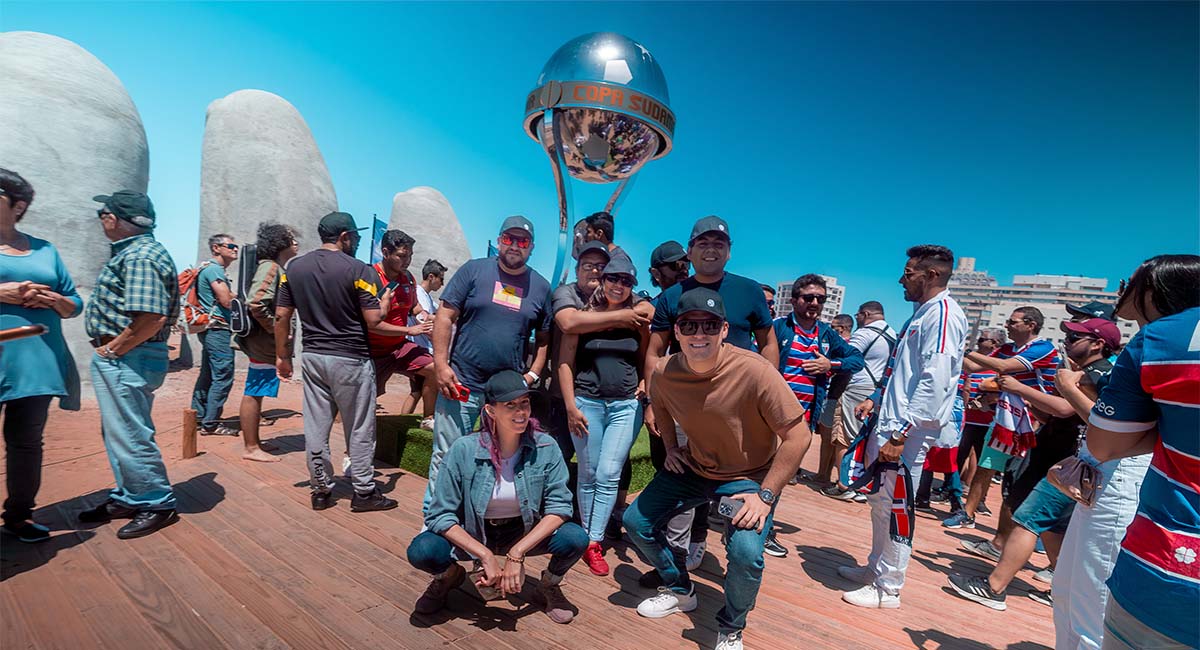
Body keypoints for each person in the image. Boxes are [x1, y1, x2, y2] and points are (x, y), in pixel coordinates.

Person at [624, 288, 813, 650]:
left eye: (709, 325)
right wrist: (671, 448)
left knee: (745, 553)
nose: (699, 334)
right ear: (676, 331)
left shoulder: (755, 371)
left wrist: (766, 495)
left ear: (724, 329)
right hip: (694, 466)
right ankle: (680, 588)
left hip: (748, 476)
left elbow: (798, 437)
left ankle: (732, 625)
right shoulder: (665, 370)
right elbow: (658, 404)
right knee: (635, 521)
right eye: (689, 325)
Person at [947, 317, 1120, 611]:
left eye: (1075, 337)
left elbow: (1065, 409)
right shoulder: (1090, 372)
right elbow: (1056, 414)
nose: (1066, 341)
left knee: (1028, 519)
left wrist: (1024, 388)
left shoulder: (1096, 374)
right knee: (1052, 527)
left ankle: (994, 588)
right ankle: (1061, 588)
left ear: (1097, 344)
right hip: (1072, 459)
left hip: (1074, 460)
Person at [646, 217, 781, 563]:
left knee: (732, 476)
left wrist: (768, 390)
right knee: (682, 475)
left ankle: (720, 541)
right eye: (703, 243)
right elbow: (654, 351)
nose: (711, 249)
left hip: (737, 406)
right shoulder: (671, 296)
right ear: (689, 252)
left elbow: (768, 342)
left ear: (729, 252)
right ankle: (678, 551)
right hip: (683, 404)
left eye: (718, 244)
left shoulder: (749, 290)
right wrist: (652, 399)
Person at [840, 244, 967, 609]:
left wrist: (900, 433)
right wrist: (877, 401)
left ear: (931, 276)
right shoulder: (923, 314)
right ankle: (875, 568)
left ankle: (888, 588)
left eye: (908, 273)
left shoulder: (942, 314)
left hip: (906, 433)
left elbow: (936, 379)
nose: (901, 279)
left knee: (898, 505)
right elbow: (906, 374)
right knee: (881, 502)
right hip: (892, 423)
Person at [407, 370, 586, 624]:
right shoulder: (464, 449)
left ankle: (549, 586)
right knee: (423, 550)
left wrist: (517, 553)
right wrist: (484, 555)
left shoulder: (546, 446)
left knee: (575, 538)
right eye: (510, 405)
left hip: (521, 530)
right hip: (473, 530)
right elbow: (439, 514)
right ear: (491, 411)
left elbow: (560, 507)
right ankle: (448, 577)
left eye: (524, 403)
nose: (521, 412)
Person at [1084, 254, 1199, 650]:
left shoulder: (1163, 341)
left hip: (1170, 574)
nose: (1120, 289)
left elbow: (1102, 444)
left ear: (1154, 289)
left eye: (1128, 280)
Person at [274, 211, 401, 512]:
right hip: (351, 359)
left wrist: (282, 355)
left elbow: (281, 315)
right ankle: (364, 492)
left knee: (316, 425)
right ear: (344, 237)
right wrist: (383, 303)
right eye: (354, 237)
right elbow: (373, 320)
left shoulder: (293, 268)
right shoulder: (360, 270)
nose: (356, 241)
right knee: (359, 427)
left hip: (314, 357)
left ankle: (320, 490)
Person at [427, 216, 551, 514]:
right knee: (446, 453)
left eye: (522, 241)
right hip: (462, 381)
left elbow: (545, 339)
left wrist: (532, 375)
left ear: (531, 247)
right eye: (509, 238)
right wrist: (441, 365)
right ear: (499, 240)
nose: (515, 246)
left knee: (498, 456)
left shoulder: (540, 287)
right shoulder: (473, 271)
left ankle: (479, 521)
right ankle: (433, 521)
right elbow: (444, 316)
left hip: (505, 395)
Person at [77, 191, 180, 539]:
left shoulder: (138, 255)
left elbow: (150, 317)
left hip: (127, 356)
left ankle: (156, 502)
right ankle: (131, 495)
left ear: (112, 218)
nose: (101, 220)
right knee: (122, 432)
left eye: (103, 214)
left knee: (131, 433)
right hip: (129, 356)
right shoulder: (138, 252)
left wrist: (112, 350)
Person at [1051, 326, 1152, 648]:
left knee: (1092, 603)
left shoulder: (1156, 353)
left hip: (1119, 477)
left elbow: (1112, 434)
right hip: (1102, 478)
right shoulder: (1147, 349)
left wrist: (1069, 388)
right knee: (1067, 593)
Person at [0, 169, 83, 543]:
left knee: (26, 443)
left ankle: (19, 517)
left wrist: (56, 300)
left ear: (18, 206)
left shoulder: (46, 249)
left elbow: (74, 303)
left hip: (36, 364)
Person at [549, 241, 651, 541]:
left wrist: (646, 383)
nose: (619, 285)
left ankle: (594, 539)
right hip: (586, 403)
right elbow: (564, 363)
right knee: (589, 473)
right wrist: (570, 406)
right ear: (604, 280)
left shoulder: (638, 319)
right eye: (613, 278)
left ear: (632, 286)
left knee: (609, 474)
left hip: (624, 406)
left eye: (626, 281)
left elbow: (647, 356)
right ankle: (584, 533)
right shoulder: (582, 317)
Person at [943, 307, 1060, 531]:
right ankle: (967, 514)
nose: (1007, 325)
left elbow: (1004, 367)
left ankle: (1027, 532)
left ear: (1031, 325)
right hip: (1008, 419)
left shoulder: (1042, 348)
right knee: (986, 466)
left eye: (1012, 322)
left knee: (1022, 478)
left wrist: (965, 349)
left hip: (1038, 422)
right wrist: (951, 348)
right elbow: (973, 366)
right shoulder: (1008, 348)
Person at [773, 276, 864, 496]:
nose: (815, 303)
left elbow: (857, 360)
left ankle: (765, 521)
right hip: (773, 411)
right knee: (766, 467)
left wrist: (829, 364)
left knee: (783, 475)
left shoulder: (825, 333)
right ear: (794, 301)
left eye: (820, 299)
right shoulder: (779, 328)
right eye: (809, 297)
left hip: (804, 417)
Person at [234, 222, 298, 463]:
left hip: (262, 342)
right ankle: (251, 447)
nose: (295, 242)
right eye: (290, 238)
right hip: (263, 342)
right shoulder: (271, 268)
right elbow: (256, 302)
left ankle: (254, 443)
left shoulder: (273, 267)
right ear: (279, 243)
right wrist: (276, 329)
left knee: (256, 390)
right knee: (254, 390)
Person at [821, 302, 897, 501]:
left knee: (844, 436)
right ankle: (860, 483)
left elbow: (847, 359)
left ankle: (845, 485)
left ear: (865, 314)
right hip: (877, 391)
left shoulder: (864, 334)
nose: (857, 320)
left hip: (856, 388)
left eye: (858, 316)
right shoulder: (893, 335)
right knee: (863, 438)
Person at [369, 230, 436, 416]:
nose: (407, 261)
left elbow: (414, 307)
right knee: (356, 407)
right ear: (385, 252)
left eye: (410, 256)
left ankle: (428, 419)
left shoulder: (408, 278)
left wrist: (425, 318)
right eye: (402, 256)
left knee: (435, 369)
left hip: (399, 347)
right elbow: (372, 324)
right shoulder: (370, 277)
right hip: (372, 352)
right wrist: (411, 330)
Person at [190, 233, 239, 435]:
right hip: (218, 329)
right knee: (223, 375)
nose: (235, 249)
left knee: (208, 374)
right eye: (231, 245)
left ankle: (199, 417)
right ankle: (211, 423)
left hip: (210, 328)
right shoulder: (214, 270)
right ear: (216, 248)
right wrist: (237, 298)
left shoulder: (209, 269)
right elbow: (226, 301)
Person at [956, 327, 1007, 510]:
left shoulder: (1002, 364)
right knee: (959, 455)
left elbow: (1005, 389)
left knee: (985, 463)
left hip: (989, 420)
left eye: (982, 339)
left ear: (994, 343)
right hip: (967, 418)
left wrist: (988, 397)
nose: (978, 341)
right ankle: (951, 491)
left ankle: (979, 500)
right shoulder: (972, 361)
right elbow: (960, 380)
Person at [405, 258, 447, 426]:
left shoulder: (427, 297)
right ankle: (428, 418)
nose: (442, 284)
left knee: (416, 392)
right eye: (441, 279)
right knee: (425, 384)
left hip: (422, 349)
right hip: (419, 350)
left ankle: (405, 422)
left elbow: (440, 314)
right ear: (431, 277)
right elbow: (424, 323)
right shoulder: (419, 294)